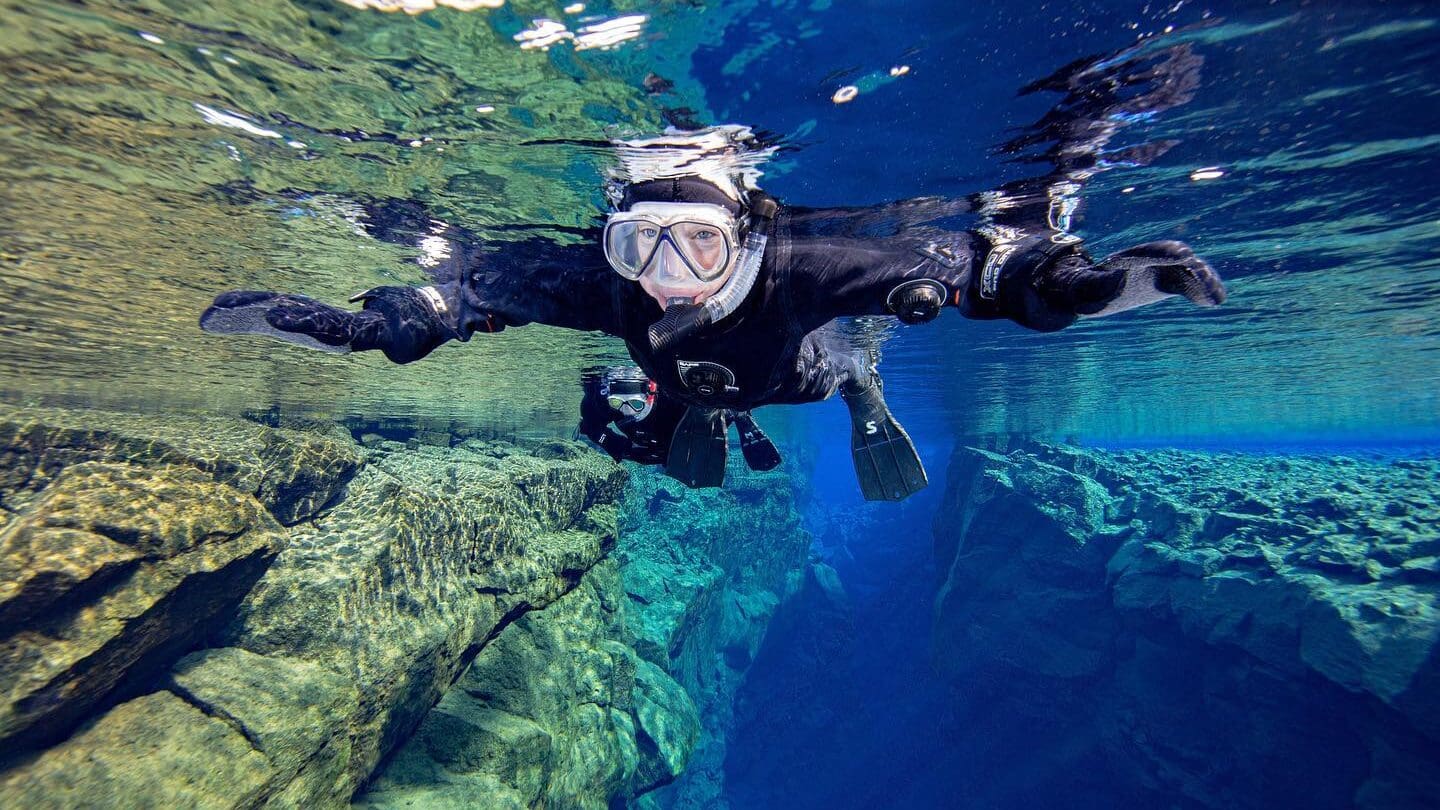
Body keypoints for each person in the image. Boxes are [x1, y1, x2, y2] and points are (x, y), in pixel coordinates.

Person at [201, 42, 1224, 501]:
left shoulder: (807, 268)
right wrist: (388, 325)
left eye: (696, 245)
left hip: (804, 370)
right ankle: (683, 414)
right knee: (657, 401)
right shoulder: (615, 289)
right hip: (685, 382)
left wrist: (1078, 283)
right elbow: (473, 289)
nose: (667, 277)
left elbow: (976, 270)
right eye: (639, 248)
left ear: (745, 233)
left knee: (830, 373)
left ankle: (863, 391)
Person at [575, 366, 782, 486]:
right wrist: (619, 447)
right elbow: (593, 427)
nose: (626, 411)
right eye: (617, 404)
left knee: (711, 412)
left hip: (684, 419)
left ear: (651, 395)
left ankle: (739, 413)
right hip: (648, 441)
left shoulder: (672, 398)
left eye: (636, 404)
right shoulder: (598, 401)